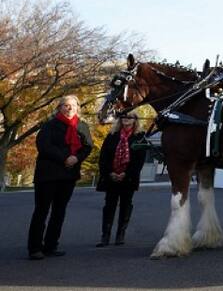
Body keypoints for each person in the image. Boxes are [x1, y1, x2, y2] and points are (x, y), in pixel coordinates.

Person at [27, 95, 93, 260]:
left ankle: (51, 245)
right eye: (65, 105)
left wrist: (76, 158)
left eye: (72, 105)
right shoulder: (50, 125)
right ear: (59, 108)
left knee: (59, 211)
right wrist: (65, 158)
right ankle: (35, 248)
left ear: (77, 107)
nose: (69, 108)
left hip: (68, 175)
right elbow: (43, 146)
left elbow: (87, 146)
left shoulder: (82, 126)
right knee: (41, 211)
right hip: (48, 174)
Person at [95, 111, 147, 247]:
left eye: (130, 117)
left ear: (135, 120)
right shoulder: (112, 136)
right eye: (123, 117)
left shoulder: (140, 137)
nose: (126, 119)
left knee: (126, 204)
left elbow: (139, 161)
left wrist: (126, 174)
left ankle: (120, 235)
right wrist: (110, 173)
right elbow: (104, 157)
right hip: (111, 176)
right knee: (109, 205)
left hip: (128, 178)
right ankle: (105, 236)